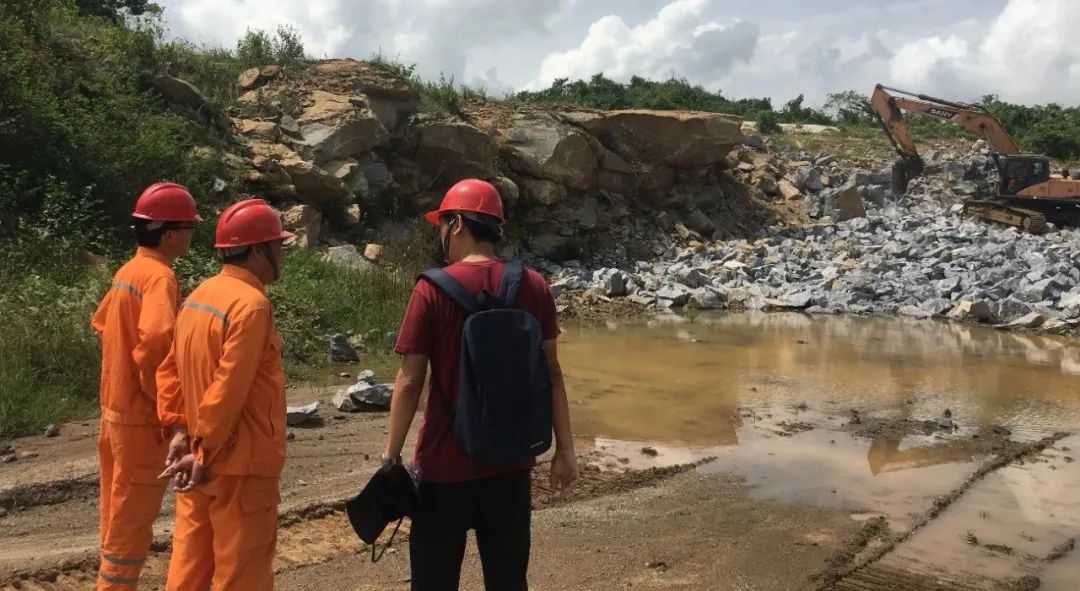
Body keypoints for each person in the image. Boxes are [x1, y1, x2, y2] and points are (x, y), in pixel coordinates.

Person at [383, 178, 579, 591]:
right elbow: (553, 374)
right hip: (511, 468)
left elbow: (410, 380)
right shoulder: (534, 285)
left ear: (456, 224)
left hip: (442, 471)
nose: (440, 235)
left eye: (442, 225)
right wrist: (565, 450)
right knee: (508, 582)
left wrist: (391, 457)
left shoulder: (431, 290)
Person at [156, 199, 294, 591]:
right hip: (238, 468)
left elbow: (170, 371)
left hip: (200, 458)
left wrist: (182, 433)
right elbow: (228, 389)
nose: (282, 253)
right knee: (242, 577)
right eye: (279, 244)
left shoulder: (201, 294)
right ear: (258, 250)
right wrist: (203, 450)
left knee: (188, 575)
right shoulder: (251, 306)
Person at [91, 182, 200, 590]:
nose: (192, 234)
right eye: (189, 227)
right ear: (169, 233)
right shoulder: (160, 277)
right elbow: (156, 340)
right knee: (131, 522)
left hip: (114, 413)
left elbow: (102, 323)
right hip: (140, 420)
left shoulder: (129, 270)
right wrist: (165, 404)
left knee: (116, 512)